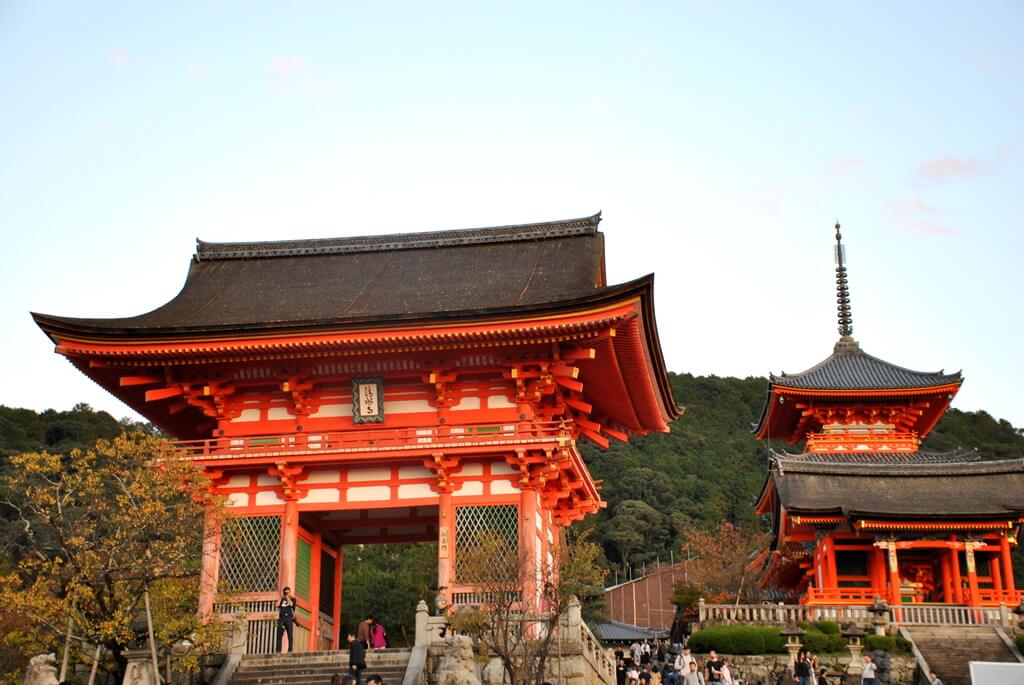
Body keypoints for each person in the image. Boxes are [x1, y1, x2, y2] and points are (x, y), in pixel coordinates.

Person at [275, 587, 296, 653]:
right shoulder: (281, 600)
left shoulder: (293, 599)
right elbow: (276, 605)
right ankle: (278, 650)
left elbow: (291, 604)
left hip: (289, 619)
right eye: (285, 592)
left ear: (290, 592)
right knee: (279, 635)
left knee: (290, 634)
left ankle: (290, 649)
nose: (286, 594)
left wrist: (287, 598)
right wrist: (281, 597)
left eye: (287, 592)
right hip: (281, 619)